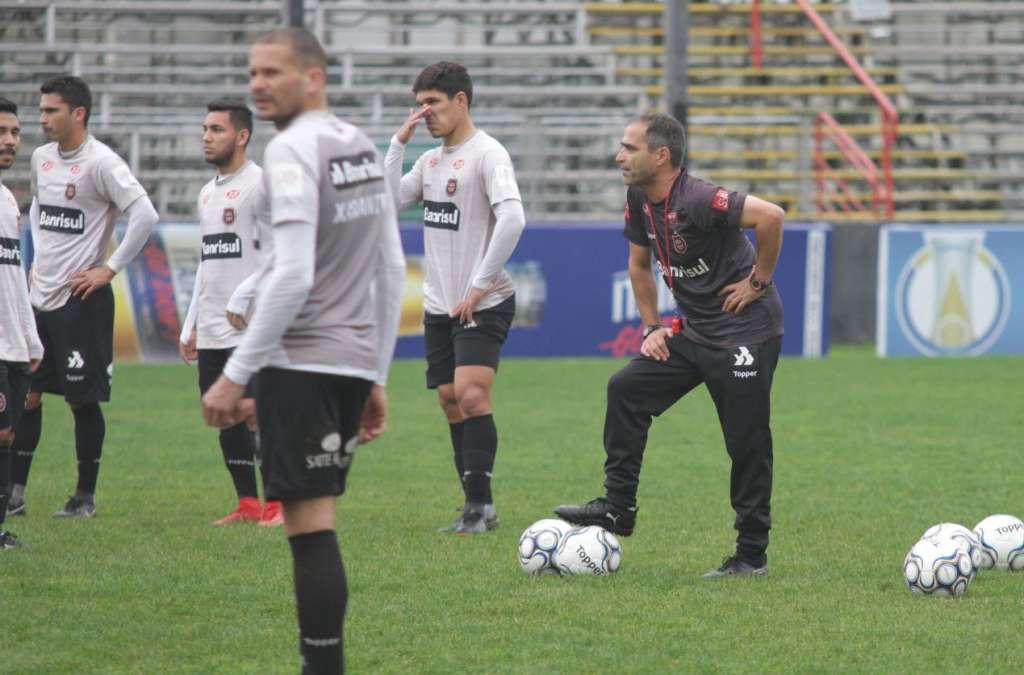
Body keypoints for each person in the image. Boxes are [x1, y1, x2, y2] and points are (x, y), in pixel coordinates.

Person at [202, 28, 404, 674]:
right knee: (319, 522)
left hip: (301, 363)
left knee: (309, 530)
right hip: (346, 366)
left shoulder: (290, 151)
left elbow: (292, 275)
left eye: (273, 72)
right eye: (253, 72)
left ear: (313, 77)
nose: (258, 83)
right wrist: (373, 373)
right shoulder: (360, 145)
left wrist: (235, 375)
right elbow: (392, 268)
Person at [554, 113, 785, 578]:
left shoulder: (699, 198)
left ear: (661, 155)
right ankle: (618, 508)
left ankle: (751, 554)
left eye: (628, 148)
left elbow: (771, 216)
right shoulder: (639, 198)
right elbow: (639, 267)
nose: (619, 156)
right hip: (696, 331)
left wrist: (757, 283)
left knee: (746, 443)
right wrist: (651, 327)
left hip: (745, 332)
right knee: (626, 389)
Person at [384, 61, 526, 535]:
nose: (424, 113)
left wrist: (480, 283)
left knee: (470, 394)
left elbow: (512, 220)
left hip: (483, 301)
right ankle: (475, 506)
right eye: (420, 104)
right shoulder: (428, 162)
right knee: (448, 398)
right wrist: (396, 147)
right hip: (439, 302)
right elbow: (386, 203)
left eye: (433, 104)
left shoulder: (488, 155)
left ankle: (478, 509)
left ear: (460, 101)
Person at [7, 76, 159, 518]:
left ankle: (84, 497)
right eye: (41, 110)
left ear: (79, 114)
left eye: (51, 111)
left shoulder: (103, 164)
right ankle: (15, 493)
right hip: (40, 294)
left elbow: (144, 214)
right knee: (29, 393)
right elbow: (37, 206)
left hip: (81, 298)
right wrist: (36, 258)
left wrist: (109, 268)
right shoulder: (41, 158)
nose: (42, 119)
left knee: (80, 399)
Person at [179, 99, 283, 526]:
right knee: (222, 412)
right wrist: (192, 324)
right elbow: (208, 260)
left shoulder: (261, 184)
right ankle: (247, 503)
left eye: (217, 129)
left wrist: (245, 293)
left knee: (257, 411)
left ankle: (278, 503)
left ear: (241, 136)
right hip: (215, 328)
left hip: (255, 325)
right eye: (204, 128)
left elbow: (284, 251)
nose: (207, 136)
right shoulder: (207, 192)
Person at [0, 97, 43, 548]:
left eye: (14, 132)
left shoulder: (8, 200)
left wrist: (28, 335)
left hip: (13, 342)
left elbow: (12, 275)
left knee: (8, 432)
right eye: (2, 132)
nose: (10, 140)